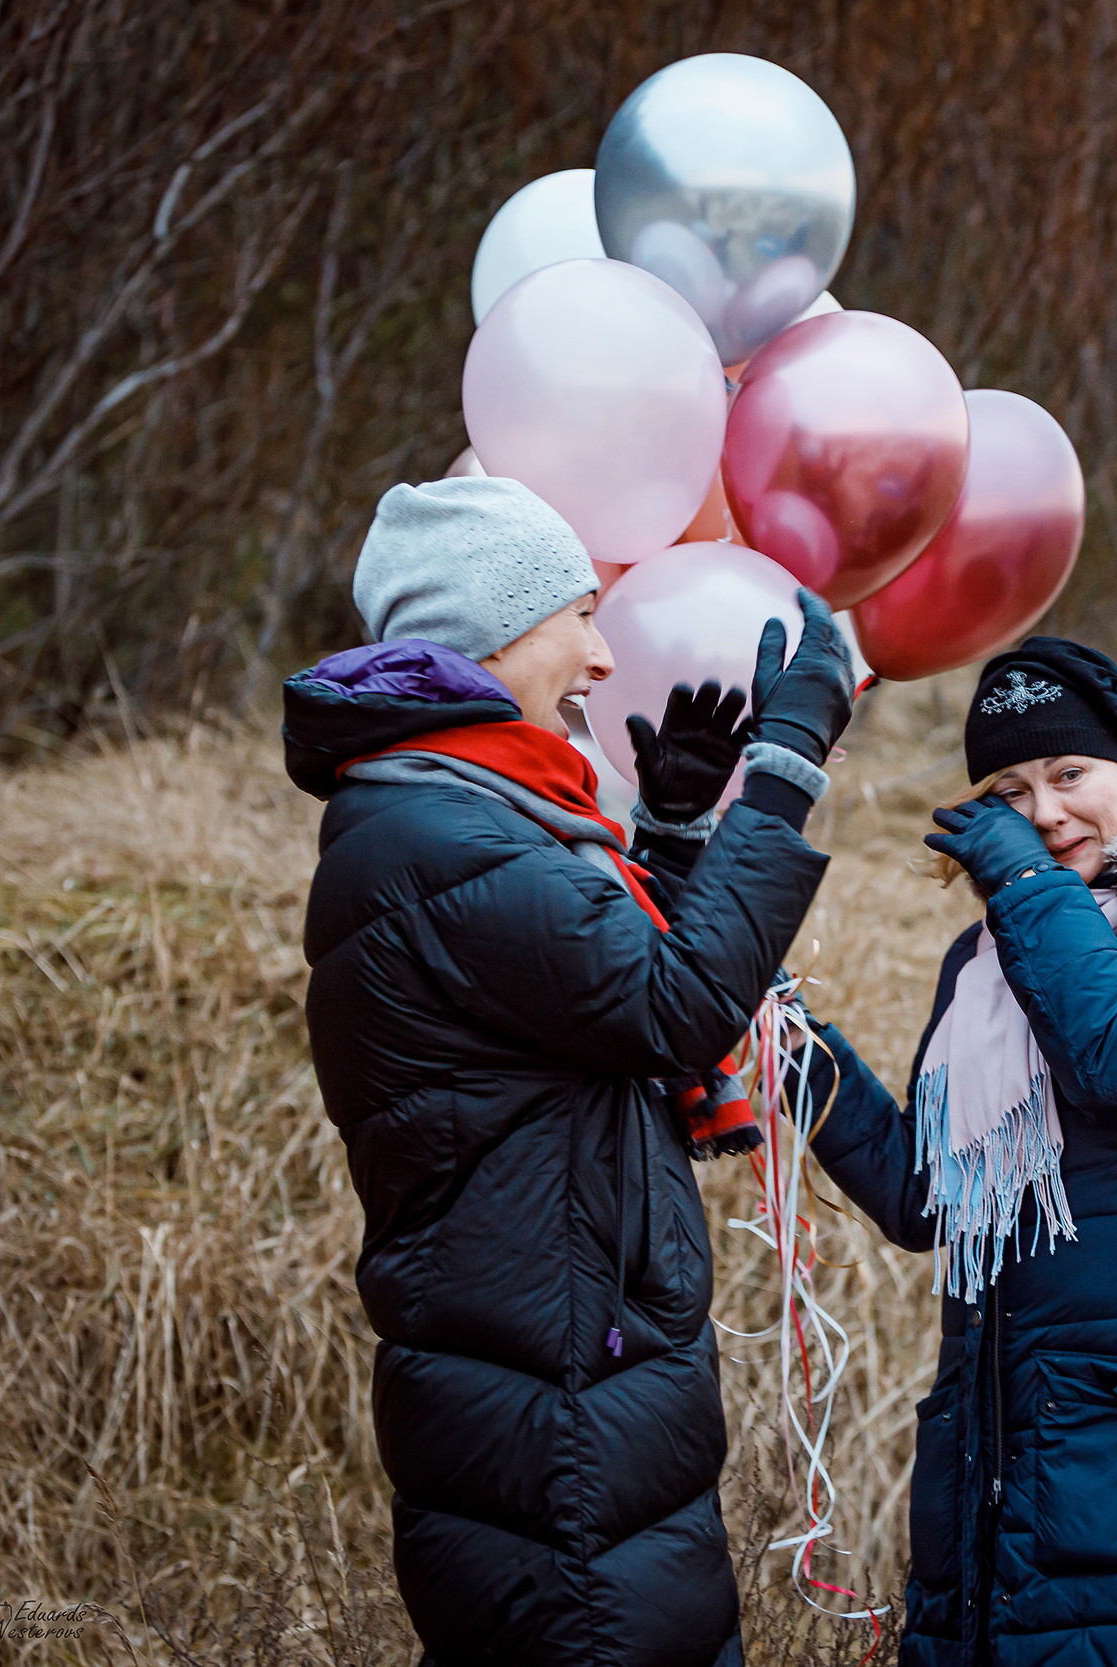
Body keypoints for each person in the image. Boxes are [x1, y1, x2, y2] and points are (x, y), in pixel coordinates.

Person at [281, 475, 855, 1667]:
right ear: (492, 631)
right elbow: (672, 1010)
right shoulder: (441, 836)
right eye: (580, 615)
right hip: (553, 1403)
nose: (603, 655)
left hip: (568, 1373)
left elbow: (596, 1012)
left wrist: (673, 837)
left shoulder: (457, 812)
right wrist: (785, 768)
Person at [796, 638, 1117, 1666]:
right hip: (1001, 1452)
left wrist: (1028, 883)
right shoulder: (992, 960)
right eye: (1010, 790)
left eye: (1069, 773)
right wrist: (790, 1042)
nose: (1042, 812)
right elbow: (926, 1198)